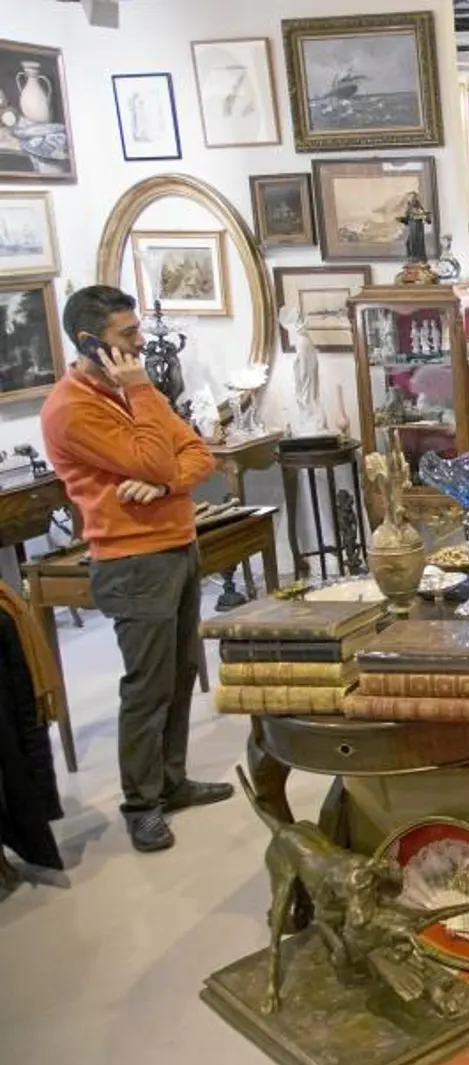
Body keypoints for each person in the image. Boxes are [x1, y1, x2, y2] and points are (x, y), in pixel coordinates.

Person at [41, 285, 229, 852]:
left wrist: (165, 479)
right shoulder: (72, 410)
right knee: (147, 687)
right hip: (131, 558)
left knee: (177, 674)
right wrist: (146, 403)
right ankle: (141, 802)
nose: (140, 344)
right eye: (127, 336)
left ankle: (171, 783)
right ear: (90, 342)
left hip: (176, 542)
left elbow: (198, 452)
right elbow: (152, 454)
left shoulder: (130, 394)